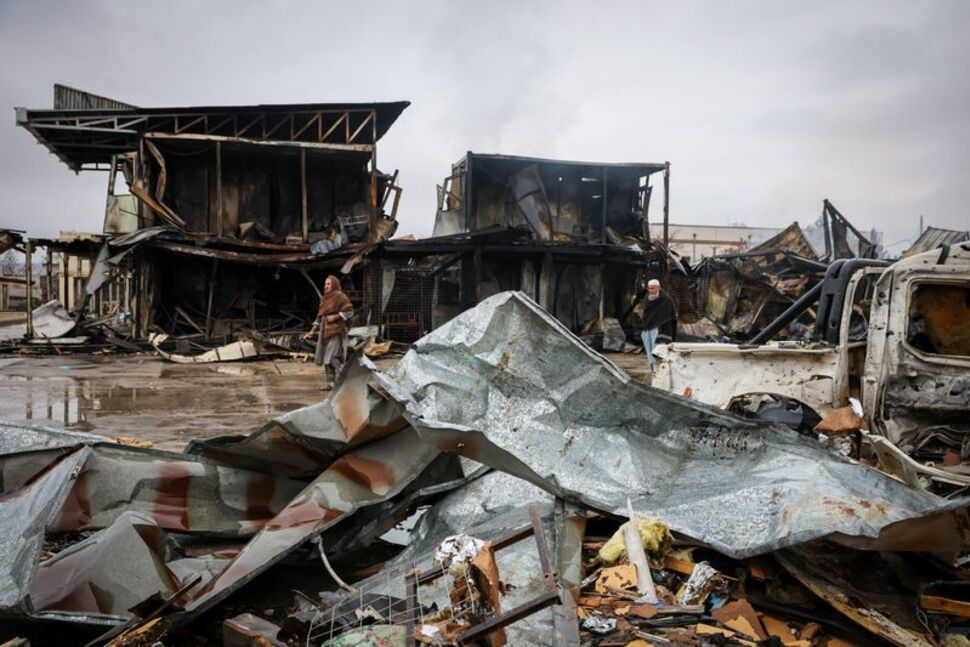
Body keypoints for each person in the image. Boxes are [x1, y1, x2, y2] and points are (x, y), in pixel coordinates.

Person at [303, 275, 353, 390]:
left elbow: (349, 311)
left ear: (334, 285)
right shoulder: (324, 299)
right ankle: (331, 383)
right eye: (325, 284)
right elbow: (319, 317)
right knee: (326, 358)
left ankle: (347, 376)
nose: (326, 286)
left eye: (329, 284)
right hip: (325, 332)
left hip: (337, 331)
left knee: (331, 357)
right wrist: (312, 331)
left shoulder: (341, 296)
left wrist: (336, 317)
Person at [640, 279, 676, 371]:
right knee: (649, 352)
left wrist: (664, 332)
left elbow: (669, 317)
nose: (651, 290)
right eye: (649, 288)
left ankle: (661, 371)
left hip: (660, 329)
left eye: (653, 288)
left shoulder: (666, 300)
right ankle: (653, 370)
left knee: (658, 351)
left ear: (659, 288)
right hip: (647, 328)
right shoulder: (646, 298)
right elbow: (645, 313)